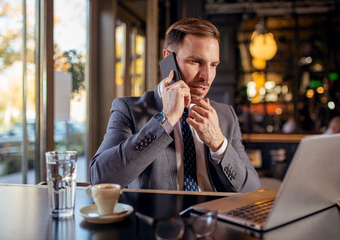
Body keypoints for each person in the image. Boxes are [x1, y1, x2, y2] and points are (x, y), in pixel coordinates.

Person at [90, 18, 261, 192]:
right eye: (195, 62)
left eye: (213, 65)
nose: (207, 76)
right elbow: (100, 178)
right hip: (158, 218)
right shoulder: (129, 109)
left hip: (214, 217)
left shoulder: (225, 115)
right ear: (168, 58)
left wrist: (218, 143)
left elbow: (252, 190)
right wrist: (165, 119)